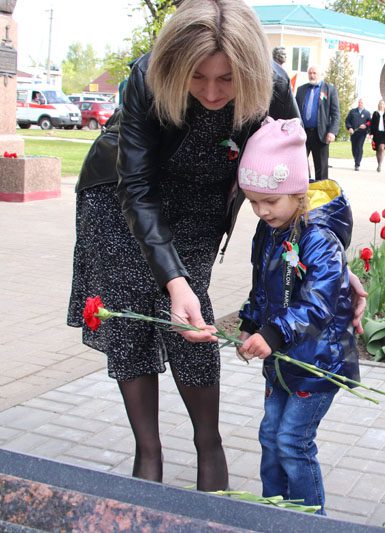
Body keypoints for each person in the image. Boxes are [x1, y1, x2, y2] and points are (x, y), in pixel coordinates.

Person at [67, 0, 300, 492]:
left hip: (199, 204)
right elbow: (137, 187)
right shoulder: (149, 76)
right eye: (197, 78)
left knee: (193, 322)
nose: (213, 93)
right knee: (132, 313)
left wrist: (325, 258)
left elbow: (297, 182)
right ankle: (147, 457)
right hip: (121, 199)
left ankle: (208, 448)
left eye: (228, 80)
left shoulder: (274, 84)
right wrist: (172, 281)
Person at [236, 117, 360, 514]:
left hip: (318, 363)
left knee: (293, 441)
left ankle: (311, 520)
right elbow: (263, 287)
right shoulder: (270, 230)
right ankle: (275, 513)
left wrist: (273, 333)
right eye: (253, 202)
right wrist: (252, 325)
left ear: (296, 191)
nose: (261, 210)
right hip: (283, 362)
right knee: (271, 436)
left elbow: (318, 304)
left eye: (270, 201)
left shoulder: (319, 239)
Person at [295, 64, 340, 181]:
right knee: (301, 165)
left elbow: (335, 114)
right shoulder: (301, 90)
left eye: (314, 73)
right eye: (310, 73)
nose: (312, 75)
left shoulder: (329, 90)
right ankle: (305, 190)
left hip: (321, 134)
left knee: (321, 168)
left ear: (320, 74)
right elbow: (295, 112)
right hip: (302, 134)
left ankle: (321, 193)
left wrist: (332, 132)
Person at [345, 98, 371, 171]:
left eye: (361, 103)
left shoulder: (367, 113)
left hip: (362, 133)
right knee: (354, 148)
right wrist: (349, 128)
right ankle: (356, 159)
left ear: (363, 104)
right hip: (353, 133)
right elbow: (347, 121)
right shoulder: (352, 111)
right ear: (358, 103)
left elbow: (370, 122)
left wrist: (366, 125)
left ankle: (357, 164)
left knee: (359, 147)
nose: (360, 104)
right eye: (359, 102)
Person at [369, 99, 385, 172]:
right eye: (380, 104)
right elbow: (372, 124)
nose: (382, 105)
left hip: (384, 134)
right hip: (377, 134)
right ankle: (378, 164)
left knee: (381, 148)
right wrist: (371, 134)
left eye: (383, 104)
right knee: (378, 149)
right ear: (379, 105)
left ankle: (380, 165)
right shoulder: (375, 113)